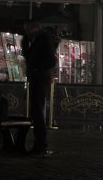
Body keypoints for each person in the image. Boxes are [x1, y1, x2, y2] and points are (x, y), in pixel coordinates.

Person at [21, 21, 59, 155]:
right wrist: (25, 43)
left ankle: (40, 143)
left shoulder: (43, 40)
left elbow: (51, 60)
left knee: (38, 109)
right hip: (37, 77)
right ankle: (39, 142)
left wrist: (38, 69)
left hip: (40, 78)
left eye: (28, 29)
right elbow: (28, 56)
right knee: (36, 109)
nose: (27, 32)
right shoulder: (35, 40)